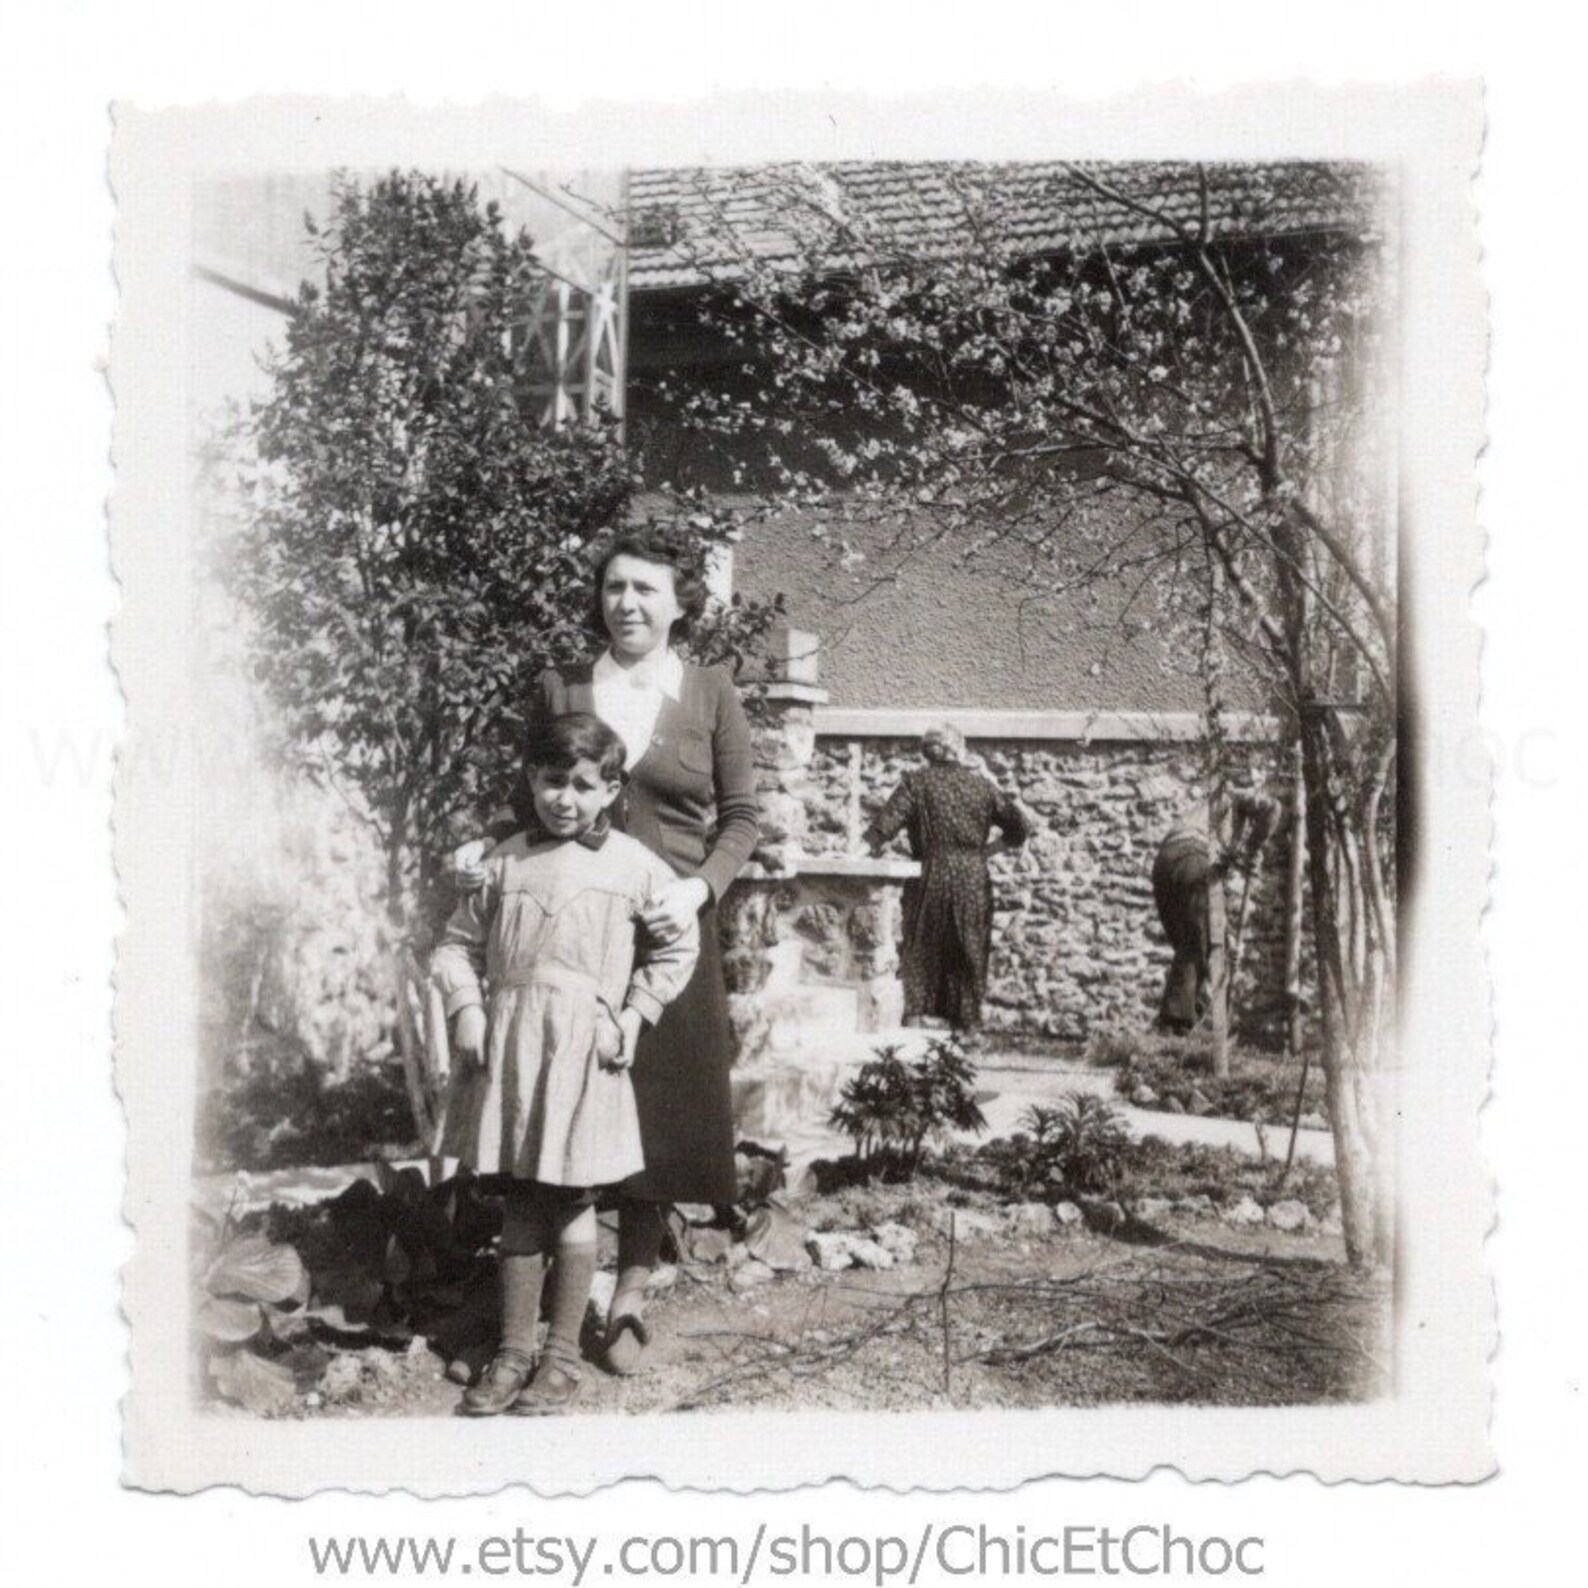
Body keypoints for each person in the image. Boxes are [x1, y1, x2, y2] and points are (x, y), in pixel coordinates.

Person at [453, 527, 759, 1376]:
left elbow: (741, 817)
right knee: (561, 1102)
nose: (627, 603)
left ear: (680, 605)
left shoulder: (710, 693)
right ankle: (539, 1321)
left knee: (657, 1113)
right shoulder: (562, 687)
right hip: (571, 930)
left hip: (665, 930)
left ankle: (627, 1296)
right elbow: (523, 792)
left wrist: (698, 893)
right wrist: (486, 855)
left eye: (646, 590)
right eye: (615, 588)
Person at [432, 713, 700, 1416]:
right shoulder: (506, 860)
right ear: (531, 780)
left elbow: (678, 947)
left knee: (574, 1200)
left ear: (611, 790)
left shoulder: (637, 868)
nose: (566, 799)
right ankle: (514, 1350)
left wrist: (635, 1014)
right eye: (553, 781)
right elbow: (454, 945)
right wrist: (466, 1007)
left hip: (585, 1051)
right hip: (514, 1049)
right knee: (521, 1199)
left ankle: (561, 1354)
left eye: (584, 785)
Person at [864, 723, 1032, 1032]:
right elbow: (1020, 827)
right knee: (968, 947)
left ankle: (913, 1022)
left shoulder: (915, 784)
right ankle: (966, 1027)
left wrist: (868, 849)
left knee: (919, 948)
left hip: (930, 873)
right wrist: (986, 852)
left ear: (928, 752)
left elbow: (882, 828)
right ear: (959, 749)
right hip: (972, 876)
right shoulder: (981, 786)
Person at [1151, 791, 1282, 1031]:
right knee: (1196, 945)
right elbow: (1274, 807)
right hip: (1190, 857)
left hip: (1166, 862)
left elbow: (1211, 912)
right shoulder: (1233, 798)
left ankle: (1186, 1019)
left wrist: (1229, 939)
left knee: (1193, 944)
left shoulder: (1219, 824)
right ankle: (1174, 1024)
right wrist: (1253, 847)